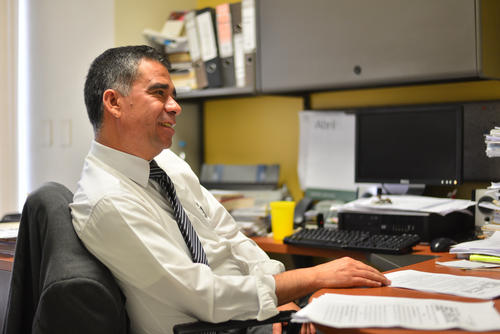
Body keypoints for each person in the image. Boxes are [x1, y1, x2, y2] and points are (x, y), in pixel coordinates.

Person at [71, 45, 390, 334]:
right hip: (212, 326)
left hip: (250, 316)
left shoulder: (167, 164)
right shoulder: (108, 201)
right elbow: (202, 295)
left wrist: (281, 298)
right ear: (113, 102)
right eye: (159, 93)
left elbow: (231, 238)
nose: (175, 107)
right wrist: (309, 278)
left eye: (174, 95)